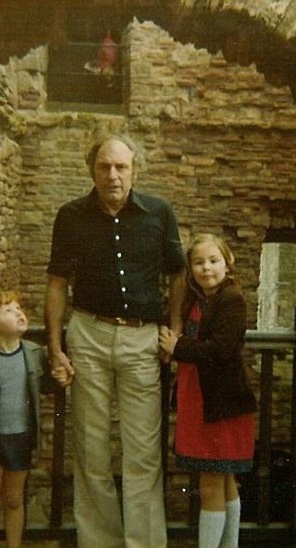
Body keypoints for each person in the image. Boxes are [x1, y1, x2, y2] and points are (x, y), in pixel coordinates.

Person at [45, 133, 186, 547]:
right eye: (105, 166)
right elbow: (56, 284)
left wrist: (174, 331)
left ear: (133, 171)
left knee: (143, 452)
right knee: (91, 449)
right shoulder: (71, 216)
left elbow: (178, 274)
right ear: (92, 170)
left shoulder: (159, 214)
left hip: (142, 340)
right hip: (87, 334)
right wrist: (55, 347)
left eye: (121, 167)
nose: (113, 175)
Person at [159, 233, 257, 548]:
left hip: (220, 404)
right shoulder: (197, 300)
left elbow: (222, 349)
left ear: (227, 263)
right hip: (202, 400)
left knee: (212, 483)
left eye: (213, 261)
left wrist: (178, 347)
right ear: (190, 269)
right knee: (225, 479)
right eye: (198, 263)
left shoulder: (231, 299)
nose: (206, 268)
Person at [0, 290, 65, 548]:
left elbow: (48, 385)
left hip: (20, 437)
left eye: (19, 308)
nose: (18, 312)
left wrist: (60, 377)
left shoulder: (33, 353)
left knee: (14, 500)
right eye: (8, 310)